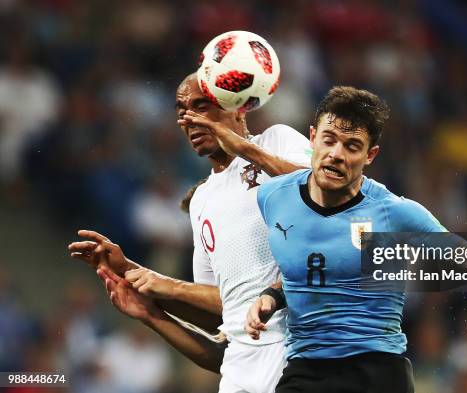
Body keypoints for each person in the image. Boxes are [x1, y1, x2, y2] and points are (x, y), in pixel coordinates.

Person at [245, 86, 467, 393]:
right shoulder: (273, 197)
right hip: (305, 369)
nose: (336, 154)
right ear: (313, 138)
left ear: (370, 155)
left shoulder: (393, 213)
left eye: (352, 146)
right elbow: (305, 270)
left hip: (376, 371)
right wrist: (268, 299)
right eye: (329, 140)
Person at [69, 72, 311, 392]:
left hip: (299, 356)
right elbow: (223, 320)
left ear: (237, 106)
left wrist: (167, 287)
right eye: (182, 111)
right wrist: (140, 292)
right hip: (240, 377)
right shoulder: (201, 201)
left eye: (201, 106)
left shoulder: (275, 141)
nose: (189, 118)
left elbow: (325, 195)